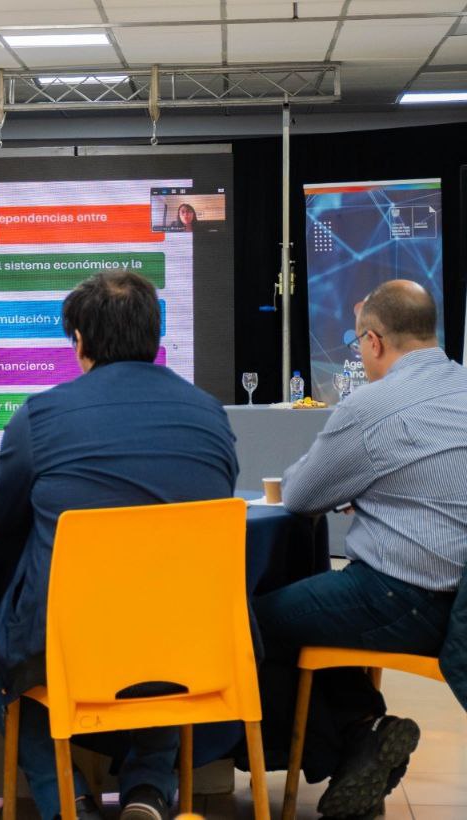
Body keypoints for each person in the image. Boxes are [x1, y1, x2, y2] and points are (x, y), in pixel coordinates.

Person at [0, 270, 238, 820]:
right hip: (195, 639)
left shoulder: (38, 417)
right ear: (155, 337)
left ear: (79, 342)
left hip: (73, 641)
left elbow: (1, 520)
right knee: (162, 635)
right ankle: (148, 790)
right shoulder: (211, 414)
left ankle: (66, 801)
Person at [254, 279, 467, 819]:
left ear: (373, 341)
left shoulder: (373, 404)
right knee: (318, 612)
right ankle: (362, 731)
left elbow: (301, 496)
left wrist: (358, 487)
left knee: (254, 625)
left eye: (356, 342)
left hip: (405, 596)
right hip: (459, 603)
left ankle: (351, 747)